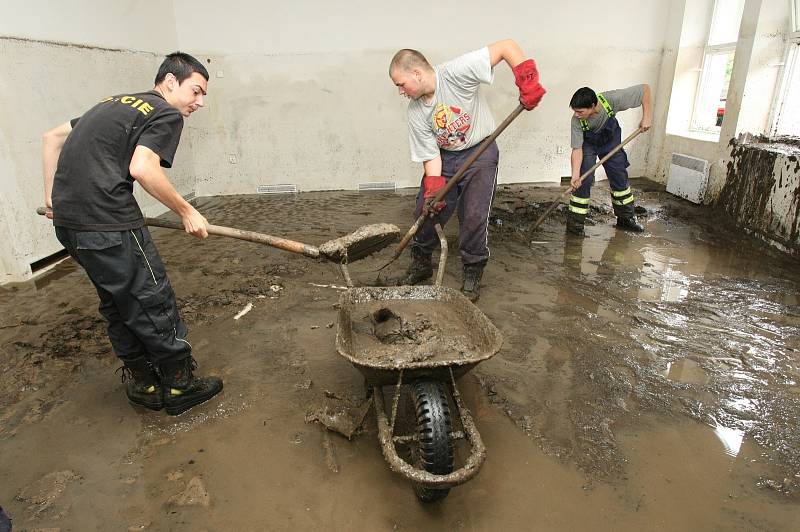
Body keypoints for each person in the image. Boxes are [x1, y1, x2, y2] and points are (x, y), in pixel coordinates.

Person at [41, 52, 223, 416]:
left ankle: (145, 382)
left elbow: (52, 137)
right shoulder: (165, 112)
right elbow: (142, 167)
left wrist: (50, 199)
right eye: (196, 91)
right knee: (151, 296)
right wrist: (187, 210)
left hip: (71, 225)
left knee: (116, 301)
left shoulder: (113, 103)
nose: (199, 102)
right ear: (171, 81)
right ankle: (179, 385)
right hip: (111, 223)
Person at [389, 39, 545, 302]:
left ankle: (472, 271)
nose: (401, 92)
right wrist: (434, 187)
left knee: (474, 215)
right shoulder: (416, 112)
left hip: (480, 152)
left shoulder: (456, 72)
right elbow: (431, 157)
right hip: (446, 158)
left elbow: (506, 47)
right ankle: (421, 264)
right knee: (425, 210)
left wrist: (527, 80)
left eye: (400, 84)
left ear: (416, 73)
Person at [566, 84, 652, 236]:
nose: (576, 115)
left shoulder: (611, 99)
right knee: (582, 181)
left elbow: (644, 89)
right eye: (574, 111)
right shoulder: (576, 121)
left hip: (610, 142)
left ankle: (626, 219)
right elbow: (577, 149)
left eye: (580, 111)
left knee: (619, 176)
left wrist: (647, 116)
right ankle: (575, 225)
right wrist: (575, 175)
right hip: (588, 146)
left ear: (593, 106)